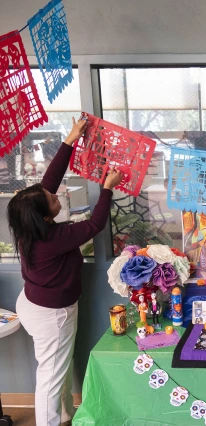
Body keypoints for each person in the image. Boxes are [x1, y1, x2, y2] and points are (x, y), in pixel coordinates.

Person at [9, 117, 124, 426]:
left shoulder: (28, 226)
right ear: (45, 217)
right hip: (51, 315)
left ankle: (63, 415)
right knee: (50, 374)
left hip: (34, 303)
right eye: (52, 200)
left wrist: (70, 139)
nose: (55, 194)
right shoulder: (54, 239)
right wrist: (107, 190)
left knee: (55, 366)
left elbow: (49, 180)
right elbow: (95, 225)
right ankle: (49, 422)